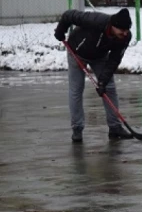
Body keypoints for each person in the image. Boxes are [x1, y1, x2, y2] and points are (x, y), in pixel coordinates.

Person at [54, 8, 134, 143]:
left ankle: (115, 127)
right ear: (113, 26)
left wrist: (102, 81)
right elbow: (68, 15)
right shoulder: (95, 20)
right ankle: (77, 128)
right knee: (76, 89)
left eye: (127, 30)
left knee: (109, 87)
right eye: (122, 30)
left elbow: (114, 60)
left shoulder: (124, 37)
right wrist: (60, 31)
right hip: (76, 52)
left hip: (99, 57)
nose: (125, 33)